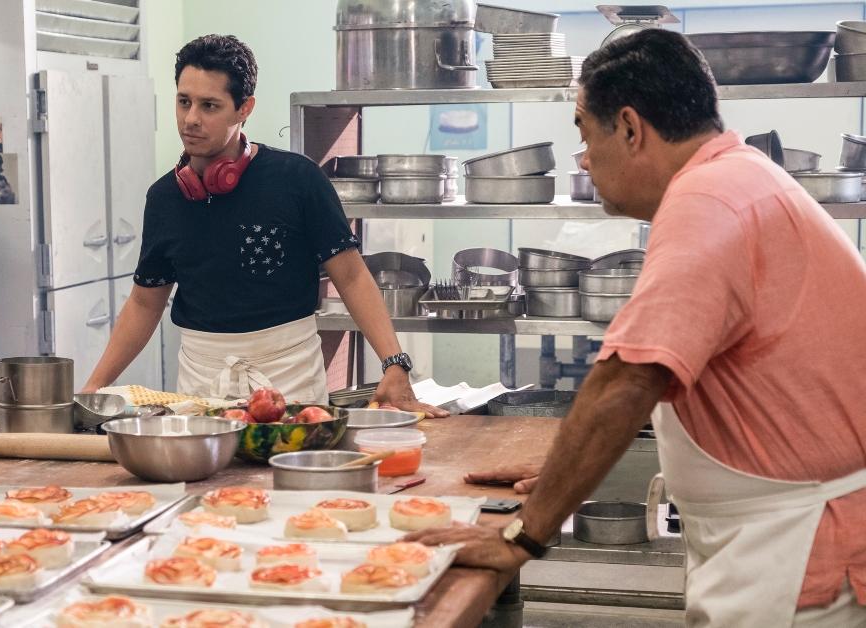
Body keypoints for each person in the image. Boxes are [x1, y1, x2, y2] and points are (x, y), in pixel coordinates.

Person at [405, 30, 866, 626]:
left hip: (797, 549)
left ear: (628, 127)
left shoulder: (710, 201)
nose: (584, 158)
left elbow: (626, 381)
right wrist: (564, 473)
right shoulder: (737, 177)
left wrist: (521, 537)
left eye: (582, 131)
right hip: (783, 532)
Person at [79, 34, 443, 416]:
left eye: (209, 106)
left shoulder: (297, 179)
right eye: (184, 101)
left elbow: (351, 276)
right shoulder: (165, 198)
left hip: (289, 378)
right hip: (200, 385)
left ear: (244, 109)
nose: (191, 119)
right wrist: (94, 387)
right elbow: (144, 302)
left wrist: (394, 364)